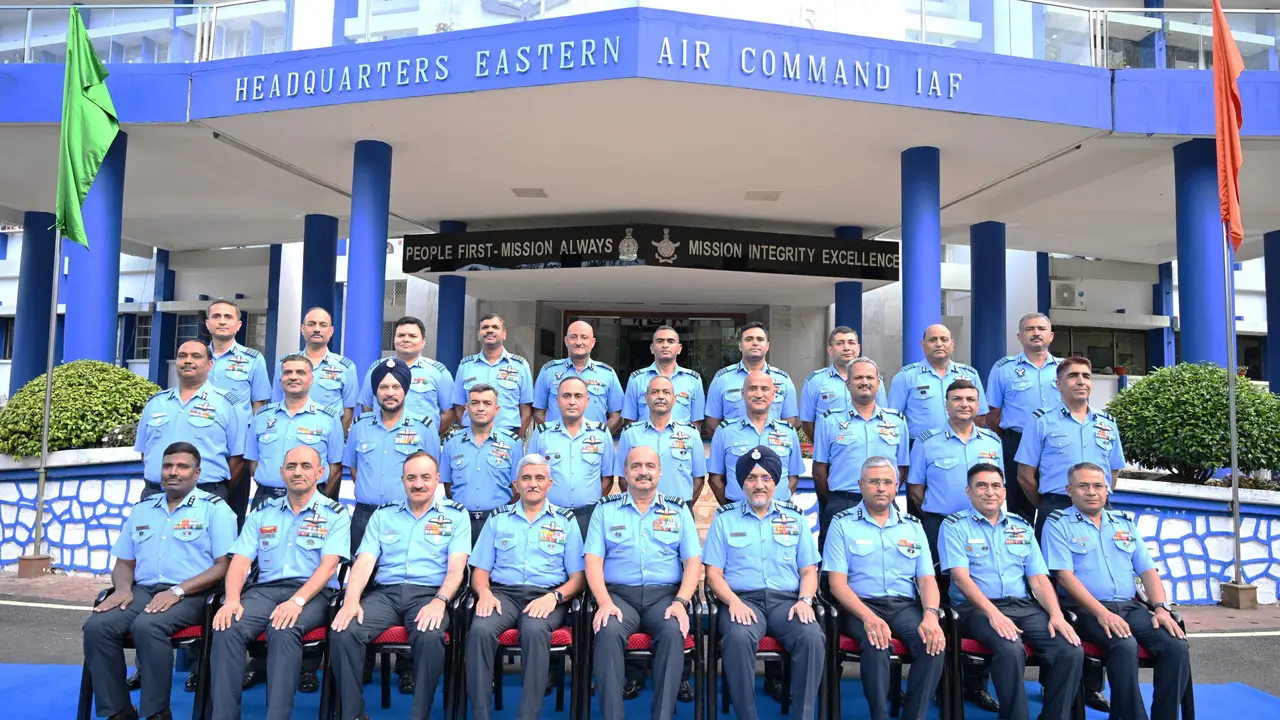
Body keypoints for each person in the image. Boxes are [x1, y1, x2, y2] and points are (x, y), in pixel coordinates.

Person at [82, 443, 236, 720]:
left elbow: (223, 566)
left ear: (197, 473)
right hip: (142, 590)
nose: (173, 472)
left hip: (193, 594)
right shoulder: (143, 510)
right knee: (97, 626)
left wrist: (177, 591)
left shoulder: (215, 510)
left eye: (182, 467)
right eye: (168, 466)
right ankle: (119, 711)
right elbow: (124, 563)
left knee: (148, 626)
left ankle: (156, 713)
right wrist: (123, 589)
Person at [209, 445, 350, 720]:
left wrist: (296, 601)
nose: (298, 472)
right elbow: (239, 561)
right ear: (282, 473)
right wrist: (232, 599)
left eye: (306, 466)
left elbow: (328, 566)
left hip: (311, 593)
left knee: (283, 628)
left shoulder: (335, 514)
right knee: (227, 627)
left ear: (321, 473)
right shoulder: (263, 512)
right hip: (264, 591)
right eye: (291, 466)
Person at [1042, 462, 1190, 720]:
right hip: (1085, 609)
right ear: (1069, 490)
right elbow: (1064, 576)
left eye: (1098, 485)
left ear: (1107, 489)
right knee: (1124, 644)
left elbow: (1147, 570)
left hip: (1130, 607)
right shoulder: (1058, 524)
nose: (1091, 491)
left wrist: (1161, 609)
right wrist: (1102, 613)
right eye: (1083, 486)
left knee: (1175, 646)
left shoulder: (1124, 523)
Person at [330, 452, 470, 720]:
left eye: (426, 477)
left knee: (429, 637)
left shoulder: (455, 516)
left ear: (438, 480)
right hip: (386, 595)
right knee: (343, 630)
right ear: (403, 480)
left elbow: (456, 570)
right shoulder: (384, 515)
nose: (419, 484)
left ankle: (420, 715)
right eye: (412, 478)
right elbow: (364, 563)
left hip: (429, 595)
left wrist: (440, 602)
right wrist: (351, 599)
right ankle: (353, 714)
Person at [940, 464, 1084, 720]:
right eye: (981, 486)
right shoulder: (954, 526)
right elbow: (961, 579)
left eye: (996, 486)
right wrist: (993, 614)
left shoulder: (1021, 527)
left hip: (1024, 607)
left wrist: (1056, 614)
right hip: (975, 609)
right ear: (969, 491)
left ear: (1004, 492)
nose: (989, 492)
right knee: (1010, 649)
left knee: (1070, 649)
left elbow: (1039, 579)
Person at [343, 357, 443, 694]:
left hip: (409, 517)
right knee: (367, 589)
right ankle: (364, 661)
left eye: (395, 387)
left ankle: (407, 668)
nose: (389, 392)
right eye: (383, 387)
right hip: (367, 516)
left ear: (405, 390)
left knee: (410, 585)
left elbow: (429, 471)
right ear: (375, 392)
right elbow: (354, 469)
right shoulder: (360, 427)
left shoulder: (424, 427)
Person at [703, 445, 825, 720]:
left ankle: (802, 715)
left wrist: (805, 600)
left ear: (776, 481)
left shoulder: (795, 520)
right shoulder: (724, 520)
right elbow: (713, 575)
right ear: (742, 483)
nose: (759, 485)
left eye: (766, 478)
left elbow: (808, 570)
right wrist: (733, 601)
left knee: (812, 636)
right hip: (742, 601)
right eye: (751, 478)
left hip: (787, 603)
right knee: (737, 637)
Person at [823, 456, 945, 720]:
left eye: (887, 482)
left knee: (933, 644)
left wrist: (931, 615)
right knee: (877, 642)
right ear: (861, 485)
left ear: (897, 486)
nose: (881, 488)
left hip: (904, 606)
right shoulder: (842, 524)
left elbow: (926, 579)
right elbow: (837, 584)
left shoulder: (913, 527)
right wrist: (869, 618)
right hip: (859, 606)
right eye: (874, 481)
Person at [586, 446, 703, 720]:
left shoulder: (678, 510)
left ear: (660, 473)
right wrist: (603, 602)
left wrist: (681, 602)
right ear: (624, 473)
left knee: (674, 631)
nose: (643, 472)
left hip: (664, 598)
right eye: (636, 466)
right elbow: (592, 561)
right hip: (618, 598)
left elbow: (693, 563)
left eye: (650, 466)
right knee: (607, 630)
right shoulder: (605, 510)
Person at [466, 454, 585, 720]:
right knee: (479, 631)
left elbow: (579, 578)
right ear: (516, 484)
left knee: (533, 630)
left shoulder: (566, 521)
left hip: (548, 596)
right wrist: (484, 593)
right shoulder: (498, 519)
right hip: (502, 595)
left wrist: (554, 597)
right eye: (526, 478)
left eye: (539, 478)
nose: (533, 483)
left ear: (549, 484)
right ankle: (480, 714)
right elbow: (480, 571)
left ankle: (528, 716)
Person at [811, 357, 908, 553]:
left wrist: (886, 494)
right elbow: (819, 469)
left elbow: (903, 467)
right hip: (842, 502)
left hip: (885, 504)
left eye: (870, 378)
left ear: (878, 383)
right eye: (858, 378)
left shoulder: (896, 421)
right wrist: (835, 498)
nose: (865, 382)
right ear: (847, 383)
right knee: (833, 568)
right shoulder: (829, 420)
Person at [135, 341, 244, 503]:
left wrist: (216, 492)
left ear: (209, 364)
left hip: (206, 495)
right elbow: (145, 453)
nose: (188, 360)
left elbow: (239, 458)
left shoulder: (228, 404)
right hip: (155, 495)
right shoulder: (155, 403)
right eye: (182, 356)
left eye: (196, 356)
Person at [985, 313, 1060, 522]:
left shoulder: (1065, 369)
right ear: (1019, 336)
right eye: (1029, 329)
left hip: (1056, 443)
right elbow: (992, 414)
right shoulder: (1003, 368)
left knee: (1057, 500)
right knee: (1019, 508)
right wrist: (1009, 437)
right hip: (1017, 442)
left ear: (1051, 335)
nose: (1036, 333)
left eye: (1041, 329)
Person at [247, 353, 345, 507]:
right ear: (280, 380)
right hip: (266, 498)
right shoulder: (261, 416)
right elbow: (253, 463)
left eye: (300, 372)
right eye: (287, 372)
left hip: (311, 500)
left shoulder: (329, 418)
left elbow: (335, 466)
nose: (293, 377)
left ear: (311, 379)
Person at [205, 299, 272, 526]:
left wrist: (251, 447)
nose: (222, 321)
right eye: (216, 316)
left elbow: (259, 406)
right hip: (201, 446)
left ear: (238, 325)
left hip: (236, 452)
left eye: (228, 317)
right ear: (207, 323)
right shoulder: (195, 357)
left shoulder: (253, 360)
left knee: (232, 518)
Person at [527, 377, 615, 538]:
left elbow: (607, 479)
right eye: (566, 396)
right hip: (550, 516)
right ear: (557, 400)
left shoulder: (601, 434)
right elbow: (529, 478)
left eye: (578, 396)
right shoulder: (542, 434)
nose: (572, 402)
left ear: (587, 401)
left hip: (589, 517)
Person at [441, 383, 523, 543]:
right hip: (460, 522)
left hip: (499, 521)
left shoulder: (513, 443)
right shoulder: (452, 442)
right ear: (466, 408)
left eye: (487, 403)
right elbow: (448, 486)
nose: (480, 408)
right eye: (475, 403)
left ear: (496, 409)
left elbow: (517, 488)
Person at [707, 371, 803, 506]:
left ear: (773, 395)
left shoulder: (788, 432)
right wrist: (731, 511)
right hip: (736, 514)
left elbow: (793, 478)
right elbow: (715, 479)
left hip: (778, 517)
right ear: (742, 394)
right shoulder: (725, 432)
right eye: (752, 389)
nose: (759, 394)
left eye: (765, 389)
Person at [887, 323, 988, 443]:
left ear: (952, 344)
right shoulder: (906, 376)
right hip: (918, 445)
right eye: (932, 340)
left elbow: (980, 417)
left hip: (960, 443)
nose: (939, 344)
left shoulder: (970, 375)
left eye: (944, 339)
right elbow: (893, 419)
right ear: (923, 344)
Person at [614, 375, 706, 504]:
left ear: (674, 400)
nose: (660, 397)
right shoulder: (630, 434)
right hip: (640, 511)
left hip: (679, 512)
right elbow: (623, 479)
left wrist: (683, 508)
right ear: (646, 399)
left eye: (666, 392)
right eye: (654, 392)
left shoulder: (691, 434)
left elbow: (699, 479)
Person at [359, 316, 456, 432]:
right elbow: (367, 407)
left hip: (421, 446)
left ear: (423, 341)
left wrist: (429, 435)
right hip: (383, 440)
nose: (406, 339)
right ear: (394, 339)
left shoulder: (438, 372)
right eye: (401, 335)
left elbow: (449, 413)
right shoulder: (377, 368)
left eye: (412, 336)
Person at [273, 307, 360, 431]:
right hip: (289, 435)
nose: (317, 329)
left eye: (323, 325)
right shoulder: (286, 364)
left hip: (326, 437)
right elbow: (276, 404)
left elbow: (348, 412)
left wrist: (334, 440)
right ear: (302, 329)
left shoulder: (346, 367)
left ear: (331, 331)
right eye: (311, 324)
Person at [704, 322, 798, 433]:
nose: (755, 343)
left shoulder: (783, 380)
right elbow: (712, 424)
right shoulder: (722, 379)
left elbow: (790, 422)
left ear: (767, 346)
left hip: (772, 447)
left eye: (760, 339)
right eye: (749, 339)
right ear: (740, 345)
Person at [533, 320, 624, 431]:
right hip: (557, 445)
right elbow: (538, 412)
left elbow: (617, 416)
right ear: (566, 341)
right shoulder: (549, 371)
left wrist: (601, 437)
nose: (579, 342)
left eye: (584, 337)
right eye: (573, 337)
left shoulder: (607, 374)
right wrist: (552, 434)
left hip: (593, 445)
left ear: (593, 342)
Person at [799, 326, 887, 441]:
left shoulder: (872, 380)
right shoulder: (815, 381)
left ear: (858, 348)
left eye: (851, 343)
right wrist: (823, 448)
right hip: (832, 451)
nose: (846, 348)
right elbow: (807, 422)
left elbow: (882, 417)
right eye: (840, 343)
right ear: (830, 350)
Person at [453, 313, 533, 434]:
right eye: (485, 327)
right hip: (471, 436)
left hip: (508, 435)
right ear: (478, 335)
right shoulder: (465, 366)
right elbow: (459, 407)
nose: (490, 330)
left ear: (504, 334)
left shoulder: (520, 366)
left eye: (495, 327)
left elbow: (526, 409)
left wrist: (516, 438)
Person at [621, 325, 705, 428]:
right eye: (660, 341)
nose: (665, 345)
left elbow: (696, 424)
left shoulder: (693, 381)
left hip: (680, 442)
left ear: (679, 348)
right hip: (645, 442)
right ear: (652, 348)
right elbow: (630, 422)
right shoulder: (637, 380)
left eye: (670, 341)